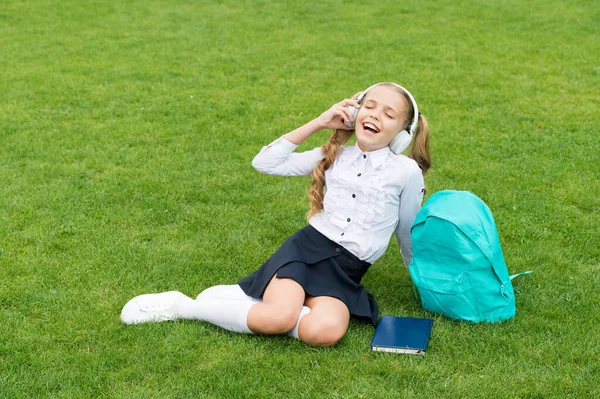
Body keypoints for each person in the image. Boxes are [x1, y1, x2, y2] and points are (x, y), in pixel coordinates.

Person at [120, 82, 431, 347]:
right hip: (307, 250)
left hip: (347, 270)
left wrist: (425, 282)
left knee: (325, 332)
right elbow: (265, 163)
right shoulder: (335, 155)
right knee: (279, 318)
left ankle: (255, 304)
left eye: (388, 114)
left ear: (402, 134)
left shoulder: (406, 172)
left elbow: (407, 232)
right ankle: (186, 306)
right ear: (353, 114)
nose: (375, 115)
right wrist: (320, 123)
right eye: (369, 107)